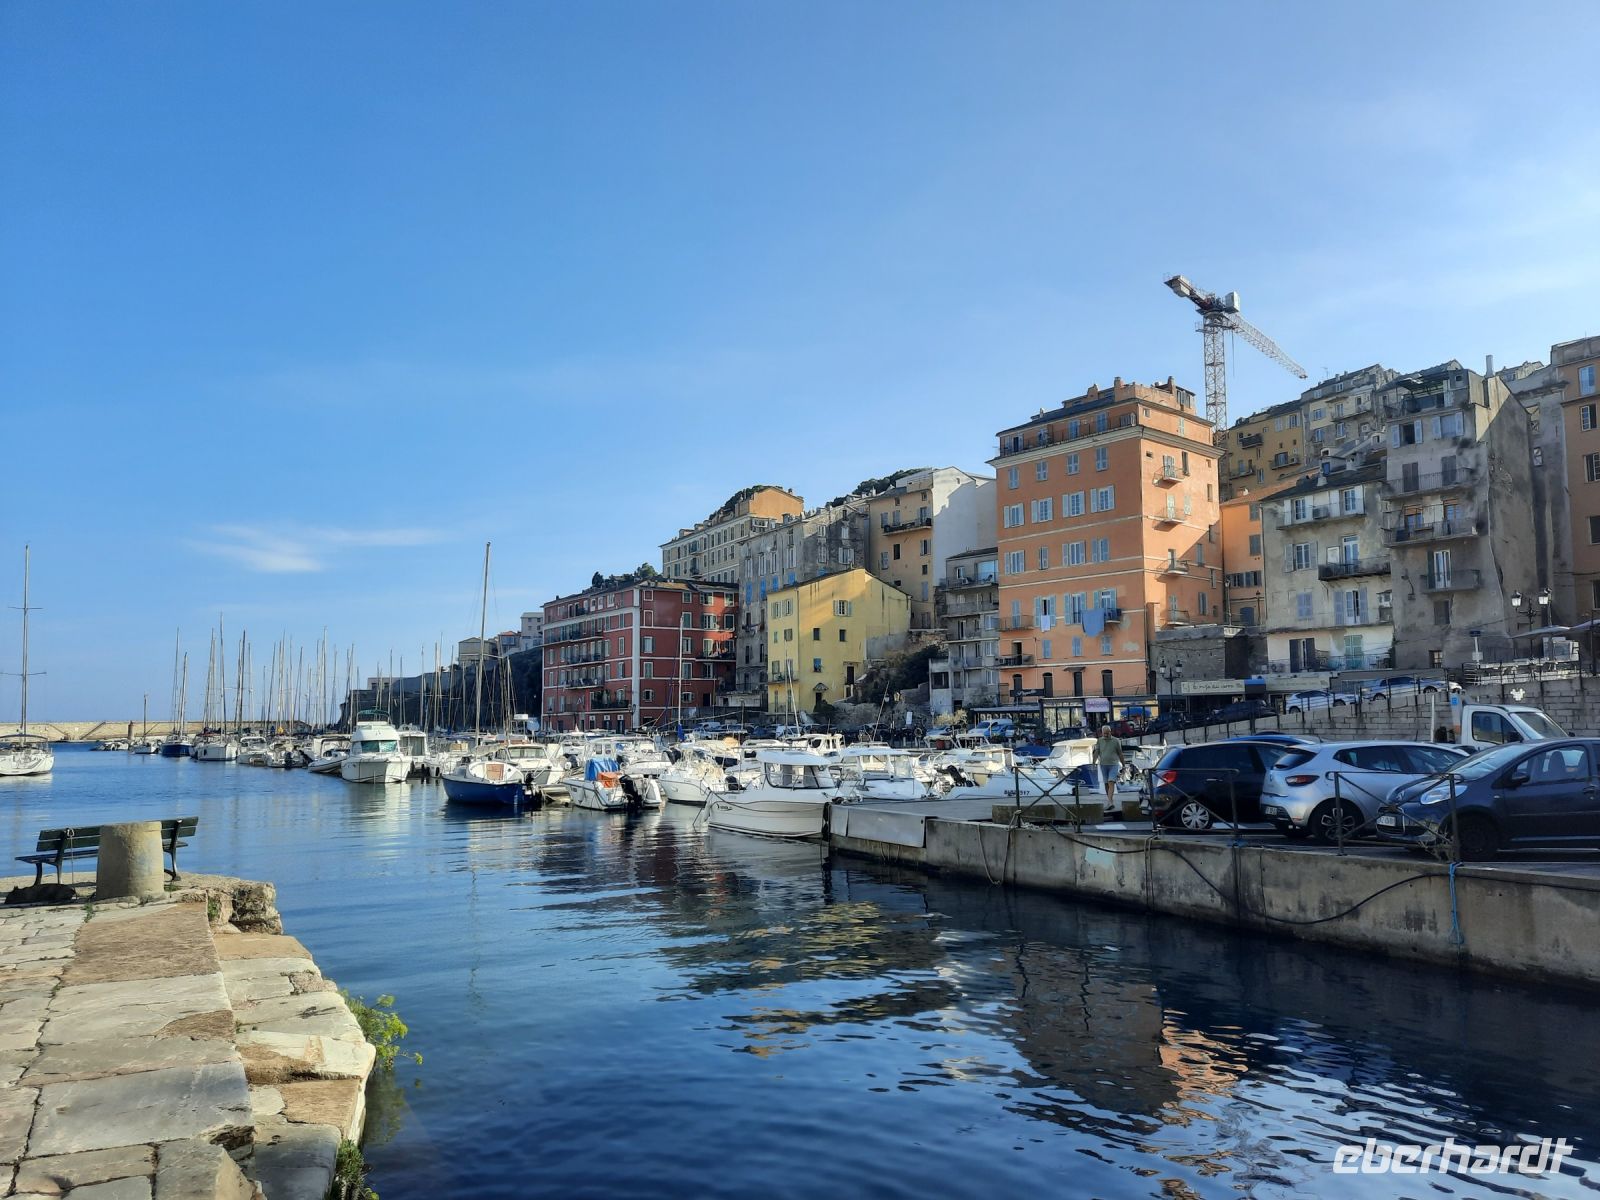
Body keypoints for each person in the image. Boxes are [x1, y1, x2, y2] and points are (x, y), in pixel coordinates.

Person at [1095, 725, 1125, 809]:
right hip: (1103, 764)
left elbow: (1120, 753)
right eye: (1104, 733)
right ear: (1102, 733)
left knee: (1111, 782)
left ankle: (1110, 802)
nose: (1106, 735)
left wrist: (1123, 764)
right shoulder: (1099, 741)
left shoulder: (1116, 741)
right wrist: (1093, 762)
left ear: (1110, 732)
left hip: (1114, 764)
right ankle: (1110, 800)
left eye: (1107, 733)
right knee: (1106, 783)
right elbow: (1097, 752)